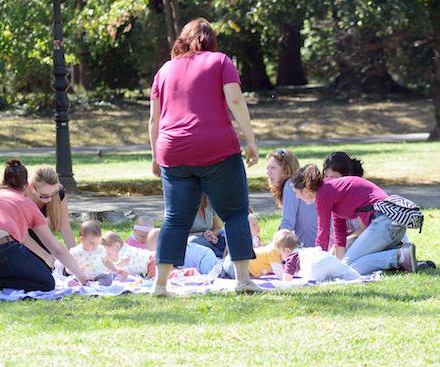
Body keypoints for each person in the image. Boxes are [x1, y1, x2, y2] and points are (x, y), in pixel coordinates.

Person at [148, 18, 261, 295]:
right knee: (235, 213)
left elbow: (154, 119)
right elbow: (235, 100)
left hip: (173, 150)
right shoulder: (221, 61)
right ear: (211, 41)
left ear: (182, 40)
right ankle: (243, 280)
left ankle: (160, 284)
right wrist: (250, 139)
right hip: (216, 149)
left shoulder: (164, 70)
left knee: (175, 219)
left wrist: (155, 156)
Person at [0, 159, 89, 296]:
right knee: (46, 282)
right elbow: (56, 248)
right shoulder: (26, 203)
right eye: (44, 196)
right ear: (27, 186)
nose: (48, 199)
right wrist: (82, 277)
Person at [290, 164, 417, 275]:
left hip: (385, 224)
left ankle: (399, 256)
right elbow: (340, 234)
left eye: (296, 192)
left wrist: (317, 263)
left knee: (348, 268)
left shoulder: (324, 193)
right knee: (345, 265)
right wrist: (335, 264)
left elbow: (323, 233)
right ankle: (399, 254)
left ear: (305, 190)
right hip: (389, 226)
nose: (296, 196)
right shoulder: (330, 189)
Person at [25, 165, 77, 266]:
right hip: (18, 241)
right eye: (44, 195)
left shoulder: (59, 193)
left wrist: (76, 254)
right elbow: (22, 236)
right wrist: (44, 255)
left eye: (53, 193)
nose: (49, 199)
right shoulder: (22, 196)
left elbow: (65, 229)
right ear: (32, 187)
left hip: (41, 237)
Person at [266, 149, 317, 247]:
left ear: (286, 170)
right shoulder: (296, 184)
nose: (268, 172)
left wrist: (273, 246)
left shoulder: (290, 185)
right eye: (268, 168)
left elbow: (287, 224)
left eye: (273, 168)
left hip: (309, 248)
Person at [274, 229, 361, 283]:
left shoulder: (291, 257)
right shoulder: (305, 250)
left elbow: (286, 279)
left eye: (281, 254)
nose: (281, 257)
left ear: (287, 250)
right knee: (345, 271)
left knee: (310, 281)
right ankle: (357, 277)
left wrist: (283, 281)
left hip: (314, 265)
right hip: (326, 257)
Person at [69, 221, 128, 285]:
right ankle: (80, 283)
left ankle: (95, 284)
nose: (95, 246)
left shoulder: (100, 249)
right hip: (82, 276)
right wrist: (77, 269)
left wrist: (115, 269)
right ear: (82, 239)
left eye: (98, 243)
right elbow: (68, 267)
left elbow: (106, 262)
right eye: (91, 243)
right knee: (74, 280)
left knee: (107, 278)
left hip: (98, 275)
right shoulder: (75, 251)